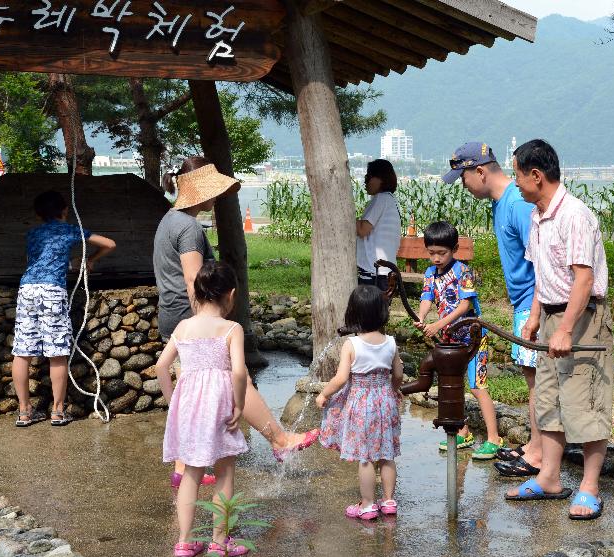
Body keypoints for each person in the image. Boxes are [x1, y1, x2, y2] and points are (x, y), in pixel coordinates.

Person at [155, 156, 318, 488]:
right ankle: (279, 439)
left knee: (195, 386)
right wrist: (208, 320)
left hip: (172, 315)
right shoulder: (187, 228)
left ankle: (182, 465)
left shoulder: (169, 220)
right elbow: (192, 279)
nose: (215, 198)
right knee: (232, 379)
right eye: (212, 191)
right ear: (200, 191)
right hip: (190, 315)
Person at [503, 139, 613, 521]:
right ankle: (549, 477)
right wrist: (534, 317)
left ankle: (589, 487)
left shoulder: (574, 215)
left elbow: (582, 278)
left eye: (517, 174)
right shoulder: (537, 215)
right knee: (548, 400)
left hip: (581, 319)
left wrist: (565, 328)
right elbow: (542, 274)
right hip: (551, 316)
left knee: (585, 401)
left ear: (536, 175)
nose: (515, 182)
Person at [442, 142, 542, 475]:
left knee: (535, 380)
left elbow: (542, 259)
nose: (463, 186)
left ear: (480, 171)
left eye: (463, 178)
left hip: (531, 301)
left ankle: (537, 454)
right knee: (532, 378)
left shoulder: (516, 203)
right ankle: (533, 445)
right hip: (522, 303)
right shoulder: (502, 204)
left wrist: (536, 313)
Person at [156, 261, 250, 557]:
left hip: (189, 407)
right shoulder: (232, 328)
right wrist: (238, 404)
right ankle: (219, 542)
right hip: (220, 405)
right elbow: (238, 372)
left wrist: (173, 402)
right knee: (224, 471)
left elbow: (161, 366)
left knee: (191, 472)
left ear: (197, 293)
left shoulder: (184, 327)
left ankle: (183, 542)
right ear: (231, 295)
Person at [12, 191, 116, 427]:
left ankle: (24, 412)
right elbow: (110, 244)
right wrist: (92, 259)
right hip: (52, 291)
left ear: (38, 214)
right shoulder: (70, 230)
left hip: (27, 289)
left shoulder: (32, 233)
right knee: (57, 352)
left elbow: (42, 259)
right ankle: (58, 412)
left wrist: (70, 262)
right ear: (65, 210)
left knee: (22, 352)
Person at [415, 221, 503, 460]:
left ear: (453, 249)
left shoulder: (463, 271)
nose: (436, 258)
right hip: (451, 339)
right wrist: (422, 317)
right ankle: (463, 431)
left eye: (441, 253)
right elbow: (426, 298)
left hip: (473, 337)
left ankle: (494, 437)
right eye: (431, 253)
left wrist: (438, 325)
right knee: (455, 385)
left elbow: (465, 305)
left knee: (477, 386)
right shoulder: (430, 273)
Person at [316, 285, 402, 520]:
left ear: (352, 313)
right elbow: (398, 375)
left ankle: (367, 504)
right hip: (385, 400)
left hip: (362, 405)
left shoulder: (352, 344)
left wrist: (324, 394)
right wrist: (394, 391)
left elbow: (341, 378)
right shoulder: (391, 342)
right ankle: (389, 500)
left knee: (365, 458)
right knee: (386, 454)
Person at [356, 159, 402, 290]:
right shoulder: (390, 200)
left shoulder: (381, 199)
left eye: (368, 176)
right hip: (385, 271)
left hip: (374, 272)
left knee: (368, 310)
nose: (365, 181)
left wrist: (343, 216)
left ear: (381, 179)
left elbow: (363, 230)